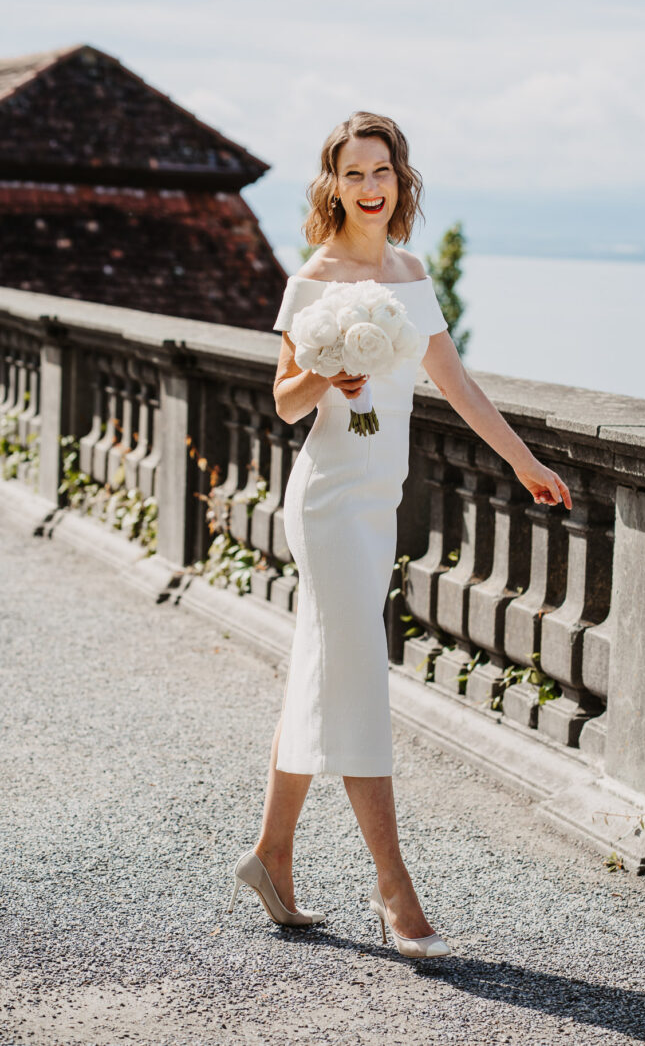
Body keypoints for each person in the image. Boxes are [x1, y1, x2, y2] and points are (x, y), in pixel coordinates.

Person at [227, 112, 572, 960]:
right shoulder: (312, 275)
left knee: (320, 669)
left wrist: (525, 462)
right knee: (356, 680)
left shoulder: (412, 273)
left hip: (378, 498)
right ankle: (395, 886)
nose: (370, 187)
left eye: (382, 171)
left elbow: (454, 383)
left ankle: (271, 855)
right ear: (332, 185)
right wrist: (323, 372)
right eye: (353, 174)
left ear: (399, 179)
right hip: (327, 498)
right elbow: (283, 401)